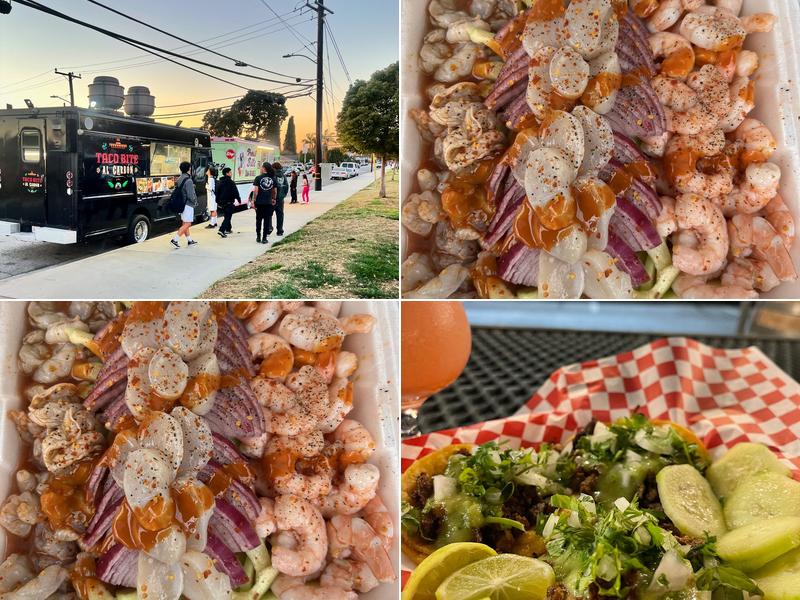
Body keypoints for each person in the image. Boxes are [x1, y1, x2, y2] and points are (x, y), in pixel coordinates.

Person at [171, 161, 198, 248]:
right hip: (188, 204)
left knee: (185, 223)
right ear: (189, 169)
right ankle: (175, 240)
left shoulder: (179, 179)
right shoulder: (188, 180)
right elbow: (190, 195)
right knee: (188, 224)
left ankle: (189, 240)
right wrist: (195, 201)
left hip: (181, 203)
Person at [251, 162, 276, 244]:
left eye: (261, 167)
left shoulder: (258, 178)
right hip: (268, 202)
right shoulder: (273, 178)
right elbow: (274, 191)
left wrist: (254, 200)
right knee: (266, 220)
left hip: (259, 202)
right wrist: (273, 199)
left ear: (264, 168)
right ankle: (264, 238)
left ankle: (258, 237)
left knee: (258, 220)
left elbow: (256, 191)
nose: (260, 168)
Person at [216, 166, 240, 238]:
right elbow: (235, 192)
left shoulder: (220, 182)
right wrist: (239, 199)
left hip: (222, 203)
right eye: (230, 172)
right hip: (229, 202)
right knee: (228, 217)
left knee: (227, 215)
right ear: (227, 173)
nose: (231, 173)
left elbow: (217, 192)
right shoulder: (231, 182)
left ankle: (228, 229)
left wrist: (217, 201)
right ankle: (222, 230)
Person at [270, 161, 289, 236]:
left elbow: (271, 187)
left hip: (272, 199)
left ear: (274, 168)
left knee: (269, 214)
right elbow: (287, 186)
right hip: (281, 199)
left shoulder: (272, 176)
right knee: (280, 215)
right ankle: (280, 230)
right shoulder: (283, 176)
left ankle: (269, 228)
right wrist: (283, 195)